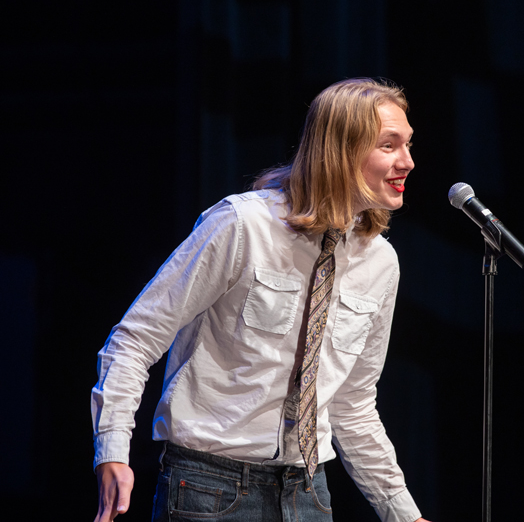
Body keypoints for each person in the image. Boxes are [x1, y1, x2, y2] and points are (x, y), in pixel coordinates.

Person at [92, 78, 431, 522]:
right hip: (209, 488)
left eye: (407, 145)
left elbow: (353, 403)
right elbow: (135, 340)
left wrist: (403, 513)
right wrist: (112, 449)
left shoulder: (380, 261)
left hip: (310, 493)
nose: (407, 161)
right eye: (389, 146)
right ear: (340, 150)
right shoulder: (241, 225)